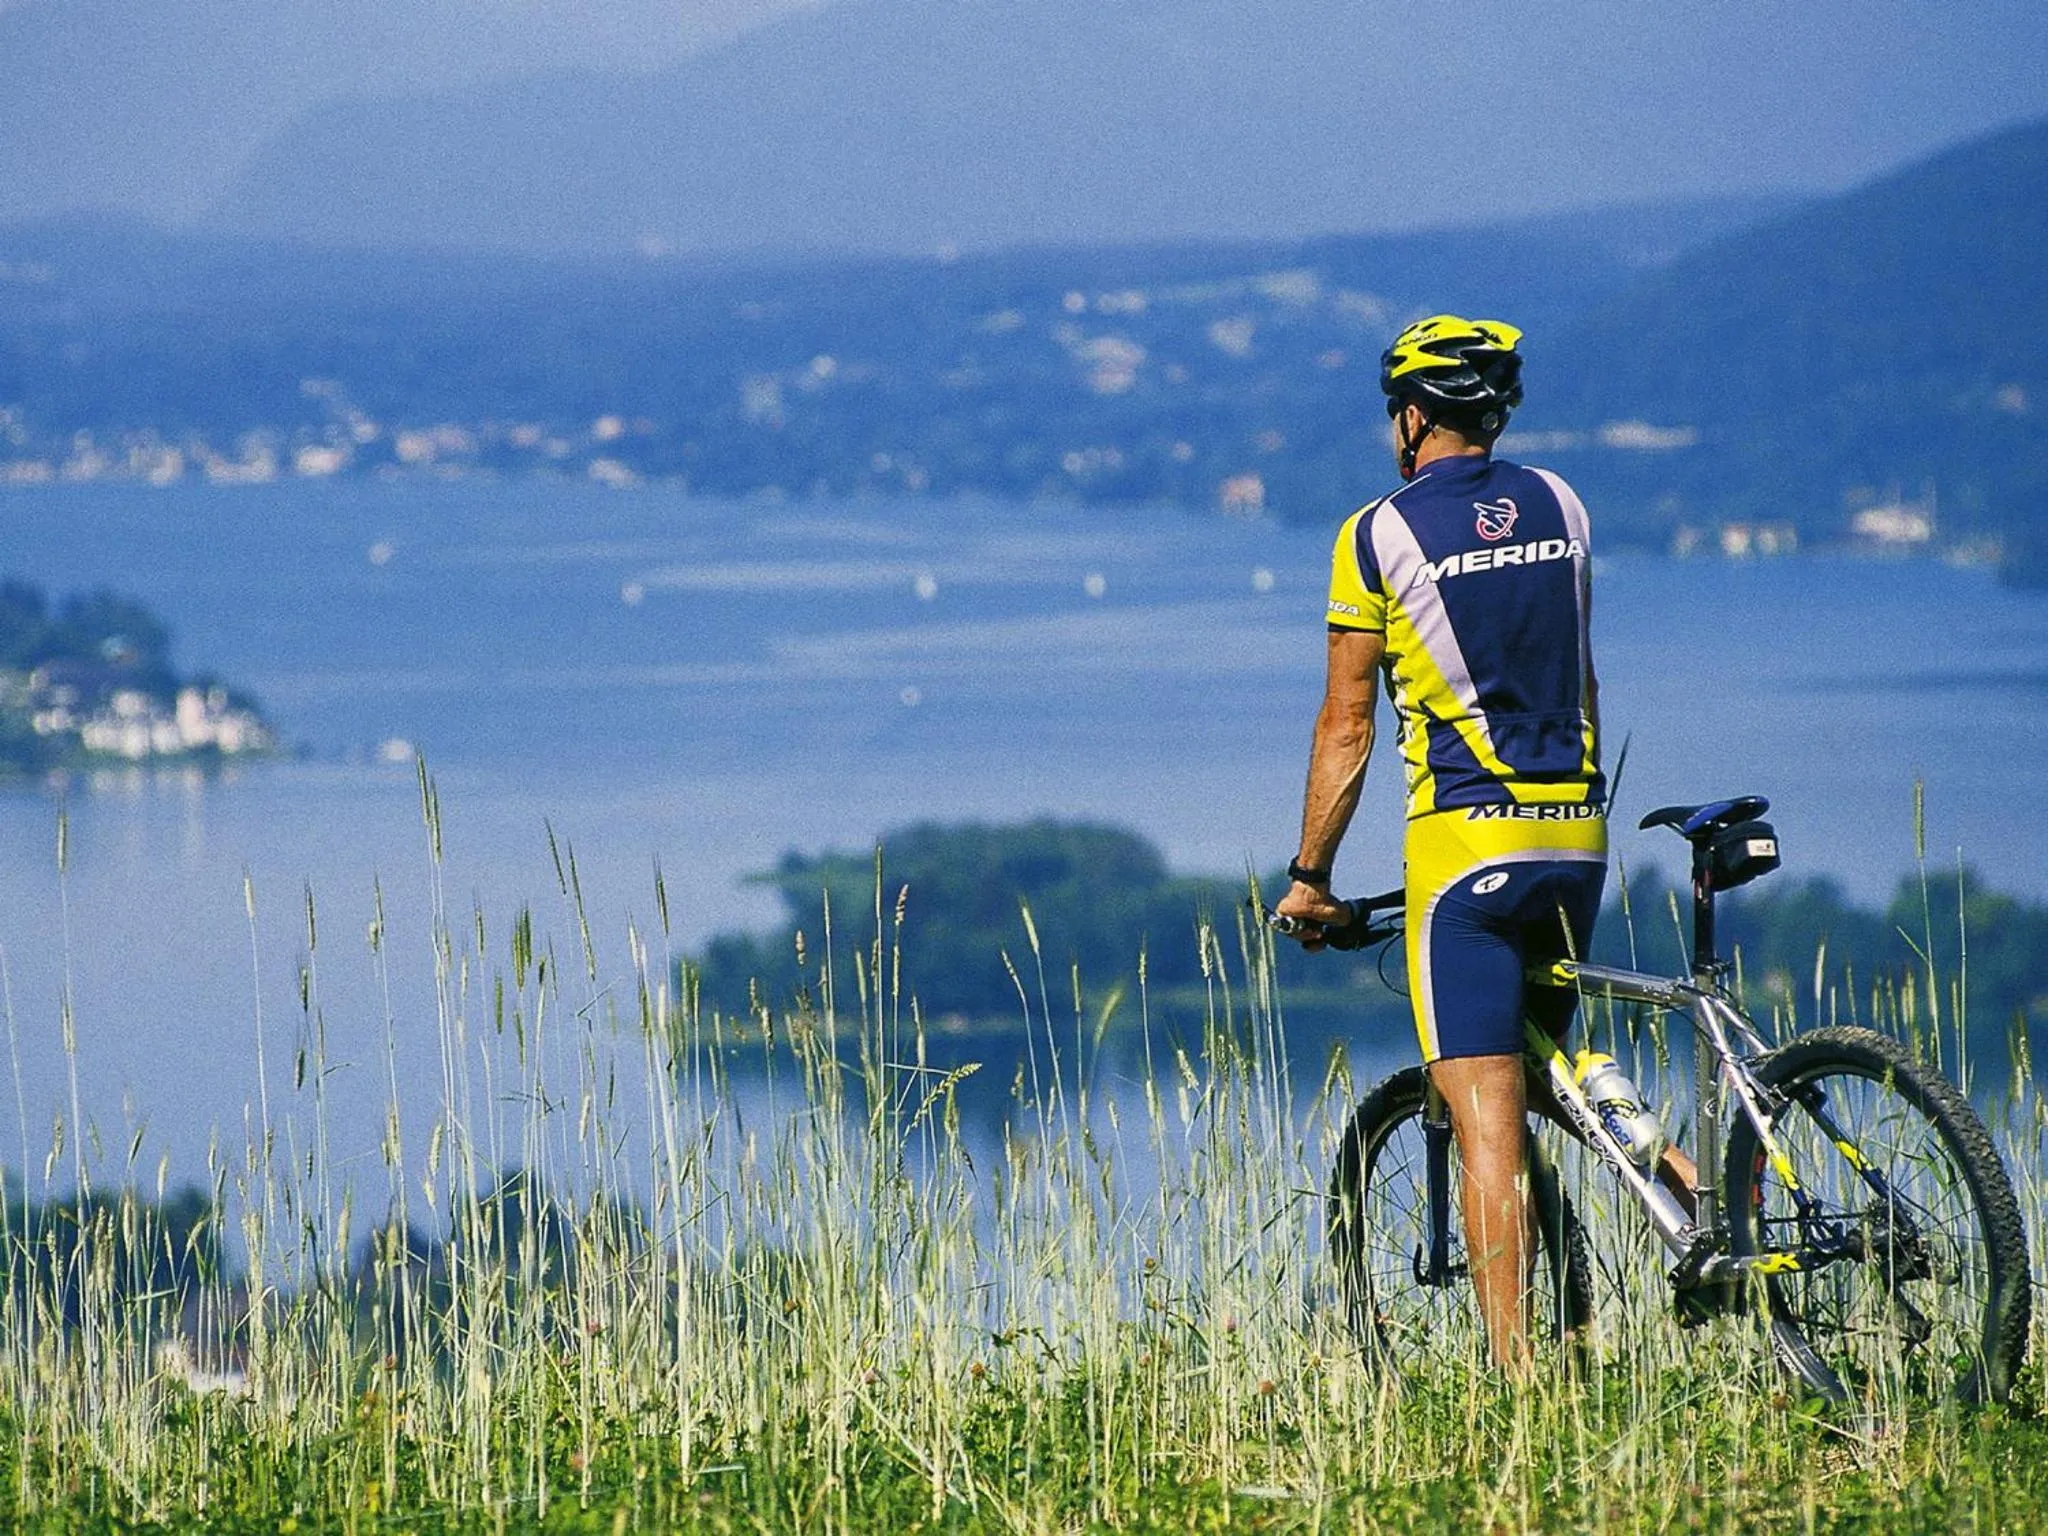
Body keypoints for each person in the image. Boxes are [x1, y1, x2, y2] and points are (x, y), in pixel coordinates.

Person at [1273, 314, 1694, 1368]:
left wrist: (1309, 878)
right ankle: (1704, 1211)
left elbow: (1345, 725)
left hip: (1464, 856)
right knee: (1555, 1073)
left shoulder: (1375, 532)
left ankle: (1514, 1394)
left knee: (1486, 1124)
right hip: (1575, 835)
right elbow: (1580, 677)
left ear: (1411, 415)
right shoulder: (1563, 505)